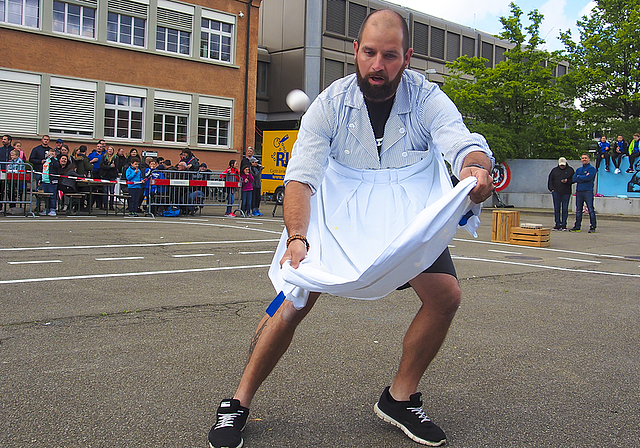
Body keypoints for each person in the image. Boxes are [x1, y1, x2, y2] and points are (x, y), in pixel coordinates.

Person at [207, 9, 494, 448]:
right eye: (370, 53)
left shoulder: (426, 97)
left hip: (407, 211)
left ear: (407, 58)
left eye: (390, 56)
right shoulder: (330, 103)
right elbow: (301, 176)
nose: (378, 65)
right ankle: (238, 402)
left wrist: (474, 170)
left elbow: (461, 141)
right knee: (293, 298)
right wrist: (298, 238)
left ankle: (400, 397)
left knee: (446, 296)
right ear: (356, 51)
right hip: (340, 210)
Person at [569, 153, 597, 233]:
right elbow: (574, 179)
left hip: (588, 191)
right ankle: (577, 226)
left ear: (588, 159)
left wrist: (580, 177)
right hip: (579, 191)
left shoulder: (592, 169)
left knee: (590, 209)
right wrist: (582, 177)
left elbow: (589, 178)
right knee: (578, 210)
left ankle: (593, 226)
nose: (584, 159)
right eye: (583, 158)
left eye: (585, 158)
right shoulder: (579, 169)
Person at [547, 157, 575, 230]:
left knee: (565, 209)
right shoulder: (554, 170)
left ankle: (564, 224)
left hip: (566, 192)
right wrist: (551, 189)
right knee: (557, 208)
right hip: (556, 192)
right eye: (561, 165)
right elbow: (550, 180)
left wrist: (567, 181)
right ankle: (557, 223)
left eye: (563, 165)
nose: (562, 166)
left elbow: (574, 179)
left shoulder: (570, 170)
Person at [40, 148, 61, 216]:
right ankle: (46, 208)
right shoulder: (46, 161)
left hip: (52, 181)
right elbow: (43, 170)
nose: (50, 155)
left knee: (52, 196)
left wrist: (52, 159)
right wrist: (40, 179)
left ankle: (52, 209)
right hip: (45, 180)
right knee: (46, 196)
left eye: (52, 154)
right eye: (50, 153)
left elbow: (57, 167)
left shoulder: (55, 162)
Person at [100, 146, 119, 210]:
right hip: (105, 175)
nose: (110, 151)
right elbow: (101, 165)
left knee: (111, 191)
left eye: (111, 149)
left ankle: (111, 205)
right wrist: (109, 166)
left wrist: (112, 167)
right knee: (105, 191)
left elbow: (116, 166)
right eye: (109, 149)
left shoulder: (116, 157)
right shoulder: (104, 157)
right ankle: (105, 204)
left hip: (112, 176)